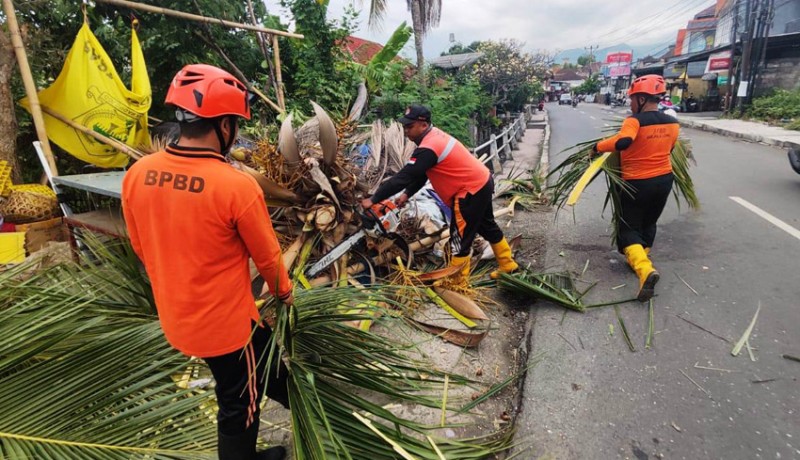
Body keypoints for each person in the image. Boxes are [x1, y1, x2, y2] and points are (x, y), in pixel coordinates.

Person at [122, 64, 292, 460]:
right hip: (228, 330)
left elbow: (141, 246)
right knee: (239, 403)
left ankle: (292, 393)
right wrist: (285, 294)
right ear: (226, 126)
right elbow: (267, 257)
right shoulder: (235, 185)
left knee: (259, 364)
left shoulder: (138, 173)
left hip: (178, 318)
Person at [360, 104, 518, 282]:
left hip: (468, 191)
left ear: (423, 125)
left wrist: (373, 199)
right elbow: (421, 174)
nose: (406, 131)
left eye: (409, 127)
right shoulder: (433, 138)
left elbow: (403, 177)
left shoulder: (429, 147)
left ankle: (457, 282)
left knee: (459, 239)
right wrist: (407, 194)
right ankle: (507, 264)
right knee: (486, 226)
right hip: (481, 182)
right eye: (405, 126)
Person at [590, 75, 679, 302]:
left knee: (628, 227)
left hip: (637, 182)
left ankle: (644, 269)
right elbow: (670, 148)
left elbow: (622, 142)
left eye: (632, 99)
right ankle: (640, 258)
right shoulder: (672, 123)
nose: (630, 103)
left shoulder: (634, 121)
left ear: (641, 98)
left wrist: (597, 147)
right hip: (664, 180)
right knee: (649, 222)